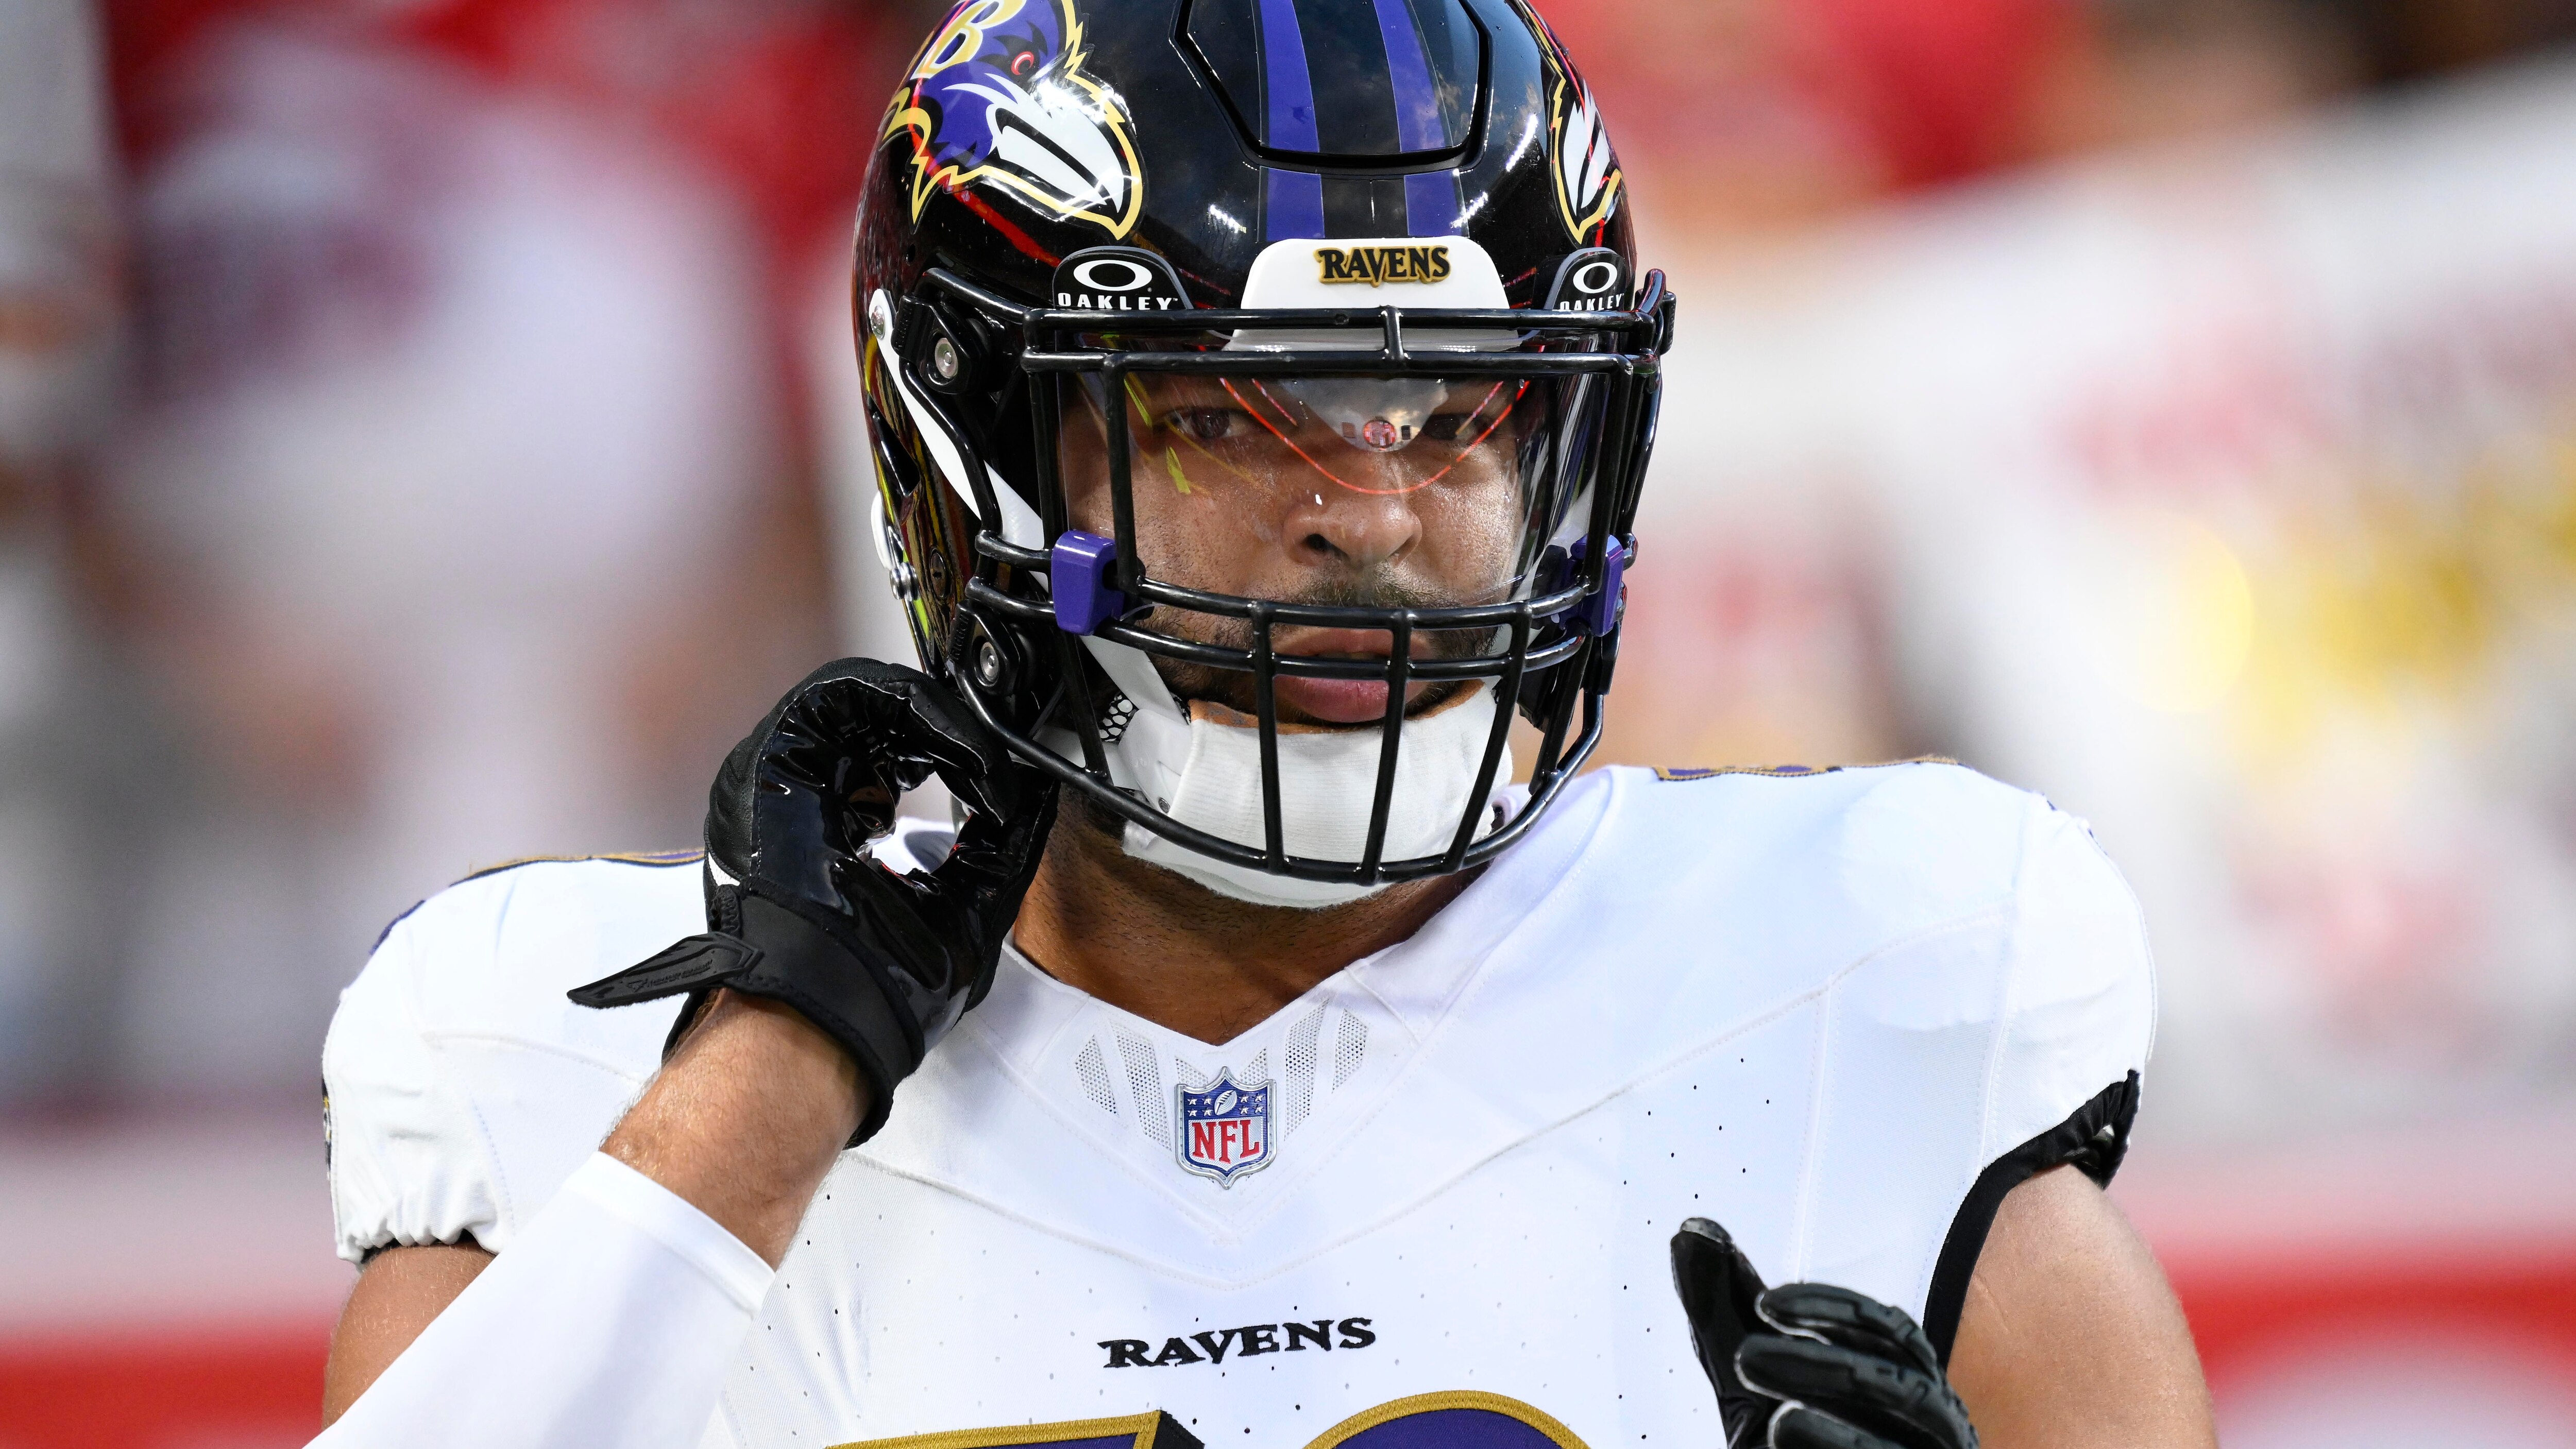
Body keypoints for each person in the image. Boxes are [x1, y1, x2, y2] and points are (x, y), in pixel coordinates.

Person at [314, 2, 2215, 1447]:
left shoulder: (1858, 985)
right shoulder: (586, 1064)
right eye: (1225, 417)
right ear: (977, 451)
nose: (1371, 514)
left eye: (1458, 413)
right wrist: (764, 1088)